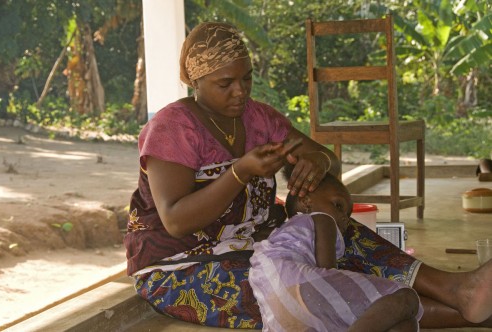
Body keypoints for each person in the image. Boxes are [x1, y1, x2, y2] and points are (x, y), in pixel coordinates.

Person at [124, 21, 492, 329]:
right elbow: (175, 221)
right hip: (182, 266)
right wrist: (239, 172)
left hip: (257, 244)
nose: (240, 92)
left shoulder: (257, 118)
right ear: (196, 81)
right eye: (225, 84)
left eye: (247, 79)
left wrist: (317, 160)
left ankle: (457, 289)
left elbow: (323, 157)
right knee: (289, 289)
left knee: (338, 233)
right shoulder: (172, 128)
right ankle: (466, 314)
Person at [249, 170, 423, 331]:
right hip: (295, 278)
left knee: (406, 324)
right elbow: (328, 272)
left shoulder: (287, 231)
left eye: (348, 215)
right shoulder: (323, 220)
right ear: (306, 201)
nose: (344, 218)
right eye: (338, 206)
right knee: (405, 296)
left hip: (275, 299)